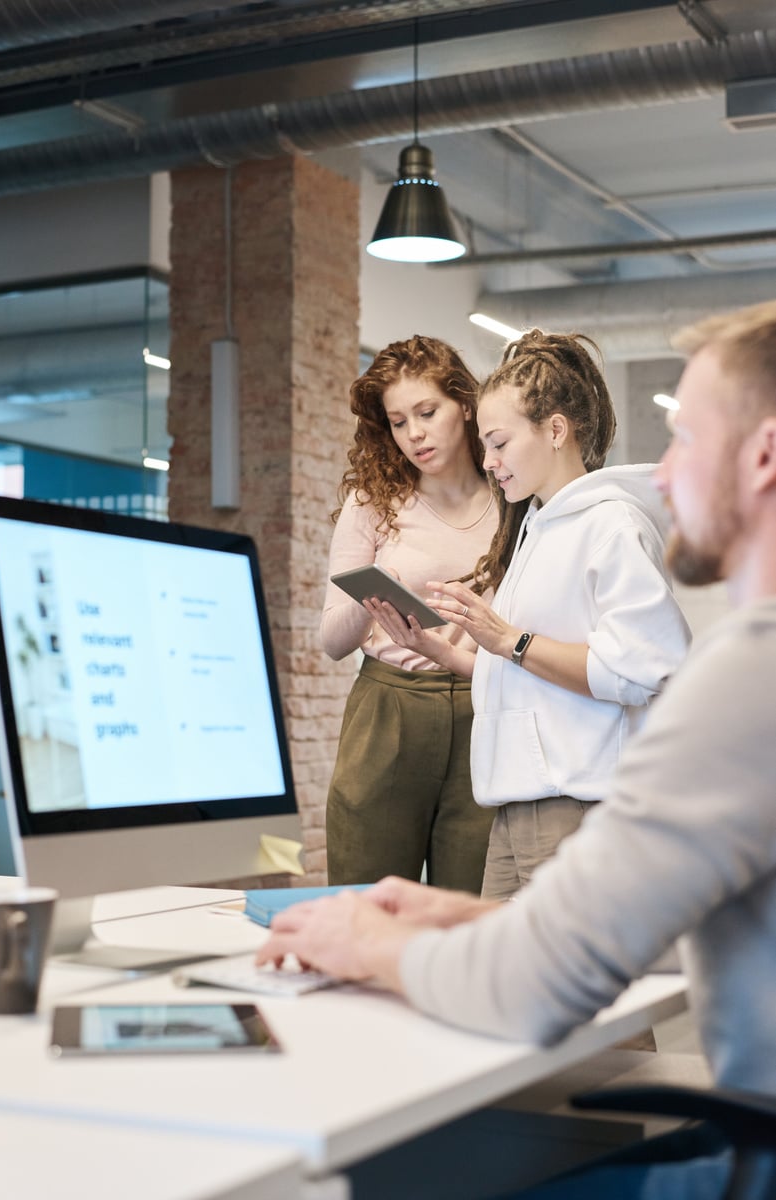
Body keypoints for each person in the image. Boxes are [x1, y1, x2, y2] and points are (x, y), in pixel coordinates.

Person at [257, 299, 776, 1197]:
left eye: (683, 437)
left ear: (761, 457)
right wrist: (472, 921)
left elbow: (537, 986)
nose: (660, 471)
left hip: (742, 1163)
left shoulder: (747, 673)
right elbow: (681, 938)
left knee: (357, 1174)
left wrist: (362, 941)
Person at [369, 329, 691, 900]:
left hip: (575, 808)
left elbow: (643, 669)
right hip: (516, 810)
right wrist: (443, 651)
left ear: (556, 430)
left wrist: (509, 639)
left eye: (498, 443)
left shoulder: (609, 525)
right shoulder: (538, 529)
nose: (488, 464)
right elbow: (529, 675)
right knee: (499, 980)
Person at [321, 335, 497, 891]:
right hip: (388, 706)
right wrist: (371, 597)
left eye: (427, 412)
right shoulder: (373, 501)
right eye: (398, 422)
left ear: (464, 406)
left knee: (471, 910)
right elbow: (331, 641)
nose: (414, 434)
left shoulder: (513, 499)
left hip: (485, 708)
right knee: (365, 898)